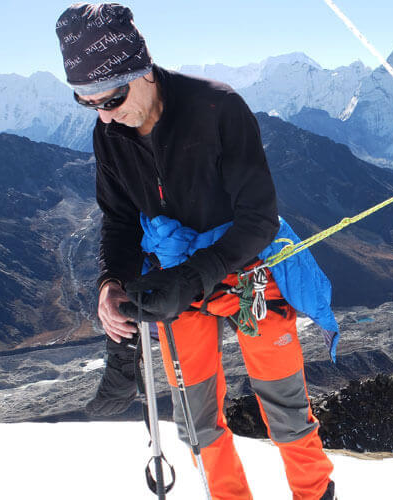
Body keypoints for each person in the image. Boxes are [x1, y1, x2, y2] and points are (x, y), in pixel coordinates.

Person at [55, 4, 336, 499]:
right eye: (88, 103)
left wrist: (189, 277)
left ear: (141, 70)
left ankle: (314, 495)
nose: (104, 114)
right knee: (196, 420)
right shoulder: (110, 134)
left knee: (286, 411)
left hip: (246, 272)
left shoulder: (218, 108)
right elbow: (120, 220)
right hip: (170, 278)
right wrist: (110, 282)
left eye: (112, 97)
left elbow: (258, 220)